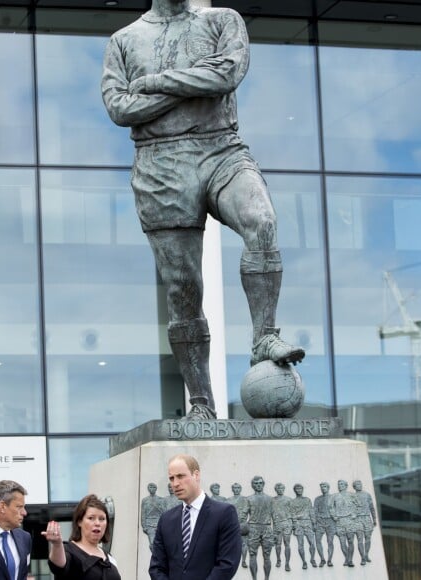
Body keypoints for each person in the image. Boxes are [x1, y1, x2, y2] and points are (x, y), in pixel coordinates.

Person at [101, 0, 305, 421]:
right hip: (160, 163)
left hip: (220, 147)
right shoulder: (123, 40)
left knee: (261, 221)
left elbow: (227, 73)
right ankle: (200, 403)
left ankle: (265, 337)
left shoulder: (222, 20)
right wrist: (196, 85)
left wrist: (155, 83)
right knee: (183, 290)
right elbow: (120, 108)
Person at [149, 454, 241, 579]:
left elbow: (227, 564)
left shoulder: (224, 513)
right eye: (171, 478)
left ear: (196, 475)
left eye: (180, 476)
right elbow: (156, 568)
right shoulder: (166, 520)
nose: (175, 483)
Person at [43, 494, 120, 579]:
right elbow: (58, 566)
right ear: (79, 521)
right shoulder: (69, 551)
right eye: (91, 518)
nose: (97, 523)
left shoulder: (109, 557)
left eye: (102, 519)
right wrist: (57, 544)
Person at [241, 475, 274, 580]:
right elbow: (243, 515)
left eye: (260, 483)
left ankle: (267, 578)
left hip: (267, 528)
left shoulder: (270, 499)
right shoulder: (248, 499)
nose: (258, 485)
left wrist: (277, 532)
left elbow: (275, 516)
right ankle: (254, 578)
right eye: (256, 483)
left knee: (267, 555)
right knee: (252, 554)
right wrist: (240, 528)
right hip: (253, 528)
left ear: (263, 484)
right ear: (252, 486)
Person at [328, 480, 357, 567]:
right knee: (342, 542)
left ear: (346, 485)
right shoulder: (334, 496)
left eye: (341, 484)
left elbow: (358, 505)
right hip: (339, 520)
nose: (339, 486)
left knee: (351, 541)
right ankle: (347, 558)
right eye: (338, 484)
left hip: (349, 520)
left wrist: (354, 513)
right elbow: (330, 507)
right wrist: (334, 516)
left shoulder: (351, 495)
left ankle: (350, 560)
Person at [289, 483, 317, 570]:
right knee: (300, 544)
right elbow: (292, 514)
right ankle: (304, 561)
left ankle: (312, 559)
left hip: (308, 522)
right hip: (298, 523)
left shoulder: (307, 500)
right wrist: (294, 525)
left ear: (302, 490)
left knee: (312, 543)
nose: (299, 490)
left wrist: (314, 523)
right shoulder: (292, 502)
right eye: (297, 489)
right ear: (295, 490)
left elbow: (311, 511)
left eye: (300, 489)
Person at [352, 480, 377, 565]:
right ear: (354, 487)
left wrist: (374, 519)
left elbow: (372, 508)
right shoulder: (352, 496)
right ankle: (362, 557)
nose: (359, 485)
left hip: (367, 518)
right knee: (360, 538)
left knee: (368, 537)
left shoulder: (367, 495)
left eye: (360, 484)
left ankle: (366, 554)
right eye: (357, 484)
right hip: (358, 519)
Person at [313, 482, 336, 567]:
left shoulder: (333, 497)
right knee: (318, 540)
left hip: (330, 521)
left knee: (330, 541)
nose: (323, 488)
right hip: (320, 522)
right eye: (322, 487)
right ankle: (322, 559)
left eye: (325, 486)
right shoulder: (317, 499)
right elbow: (314, 511)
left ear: (328, 487)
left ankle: (329, 560)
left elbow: (337, 509)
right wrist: (314, 523)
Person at [227, 483, 249, 569]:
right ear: (232, 489)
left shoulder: (245, 499)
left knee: (244, 543)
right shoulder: (228, 500)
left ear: (240, 489)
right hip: (232, 524)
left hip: (242, 523)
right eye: (235, 488)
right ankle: (231, 561)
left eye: (238, 488)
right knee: (231, 543)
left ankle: (243, 560)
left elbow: (248, 510)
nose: (236, 489)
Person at [271, 483, 292, 572]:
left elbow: (293, 511)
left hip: (287, 523)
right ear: (276, 489)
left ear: (284, 489)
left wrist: (292, 523)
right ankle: (278, 559)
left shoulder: (289, 499)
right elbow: (270, 512)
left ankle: (287, 563)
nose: (280, 489)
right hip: (277, 524)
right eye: (278, 488)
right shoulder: (272, 500)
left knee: (287, 543)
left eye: (282, 488)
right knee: (277, 544)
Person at [141, 483, 165, 549]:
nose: (152, 489)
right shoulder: (145, 500)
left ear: (156, 489)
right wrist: (144, 526)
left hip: (158, 523)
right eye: (150, 487)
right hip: (149, 525)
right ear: (148, 489)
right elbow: (143, 513)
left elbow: (163, 512)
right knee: (152, 543)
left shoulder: (161, 500)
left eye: (153, 487)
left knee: (159, 543)